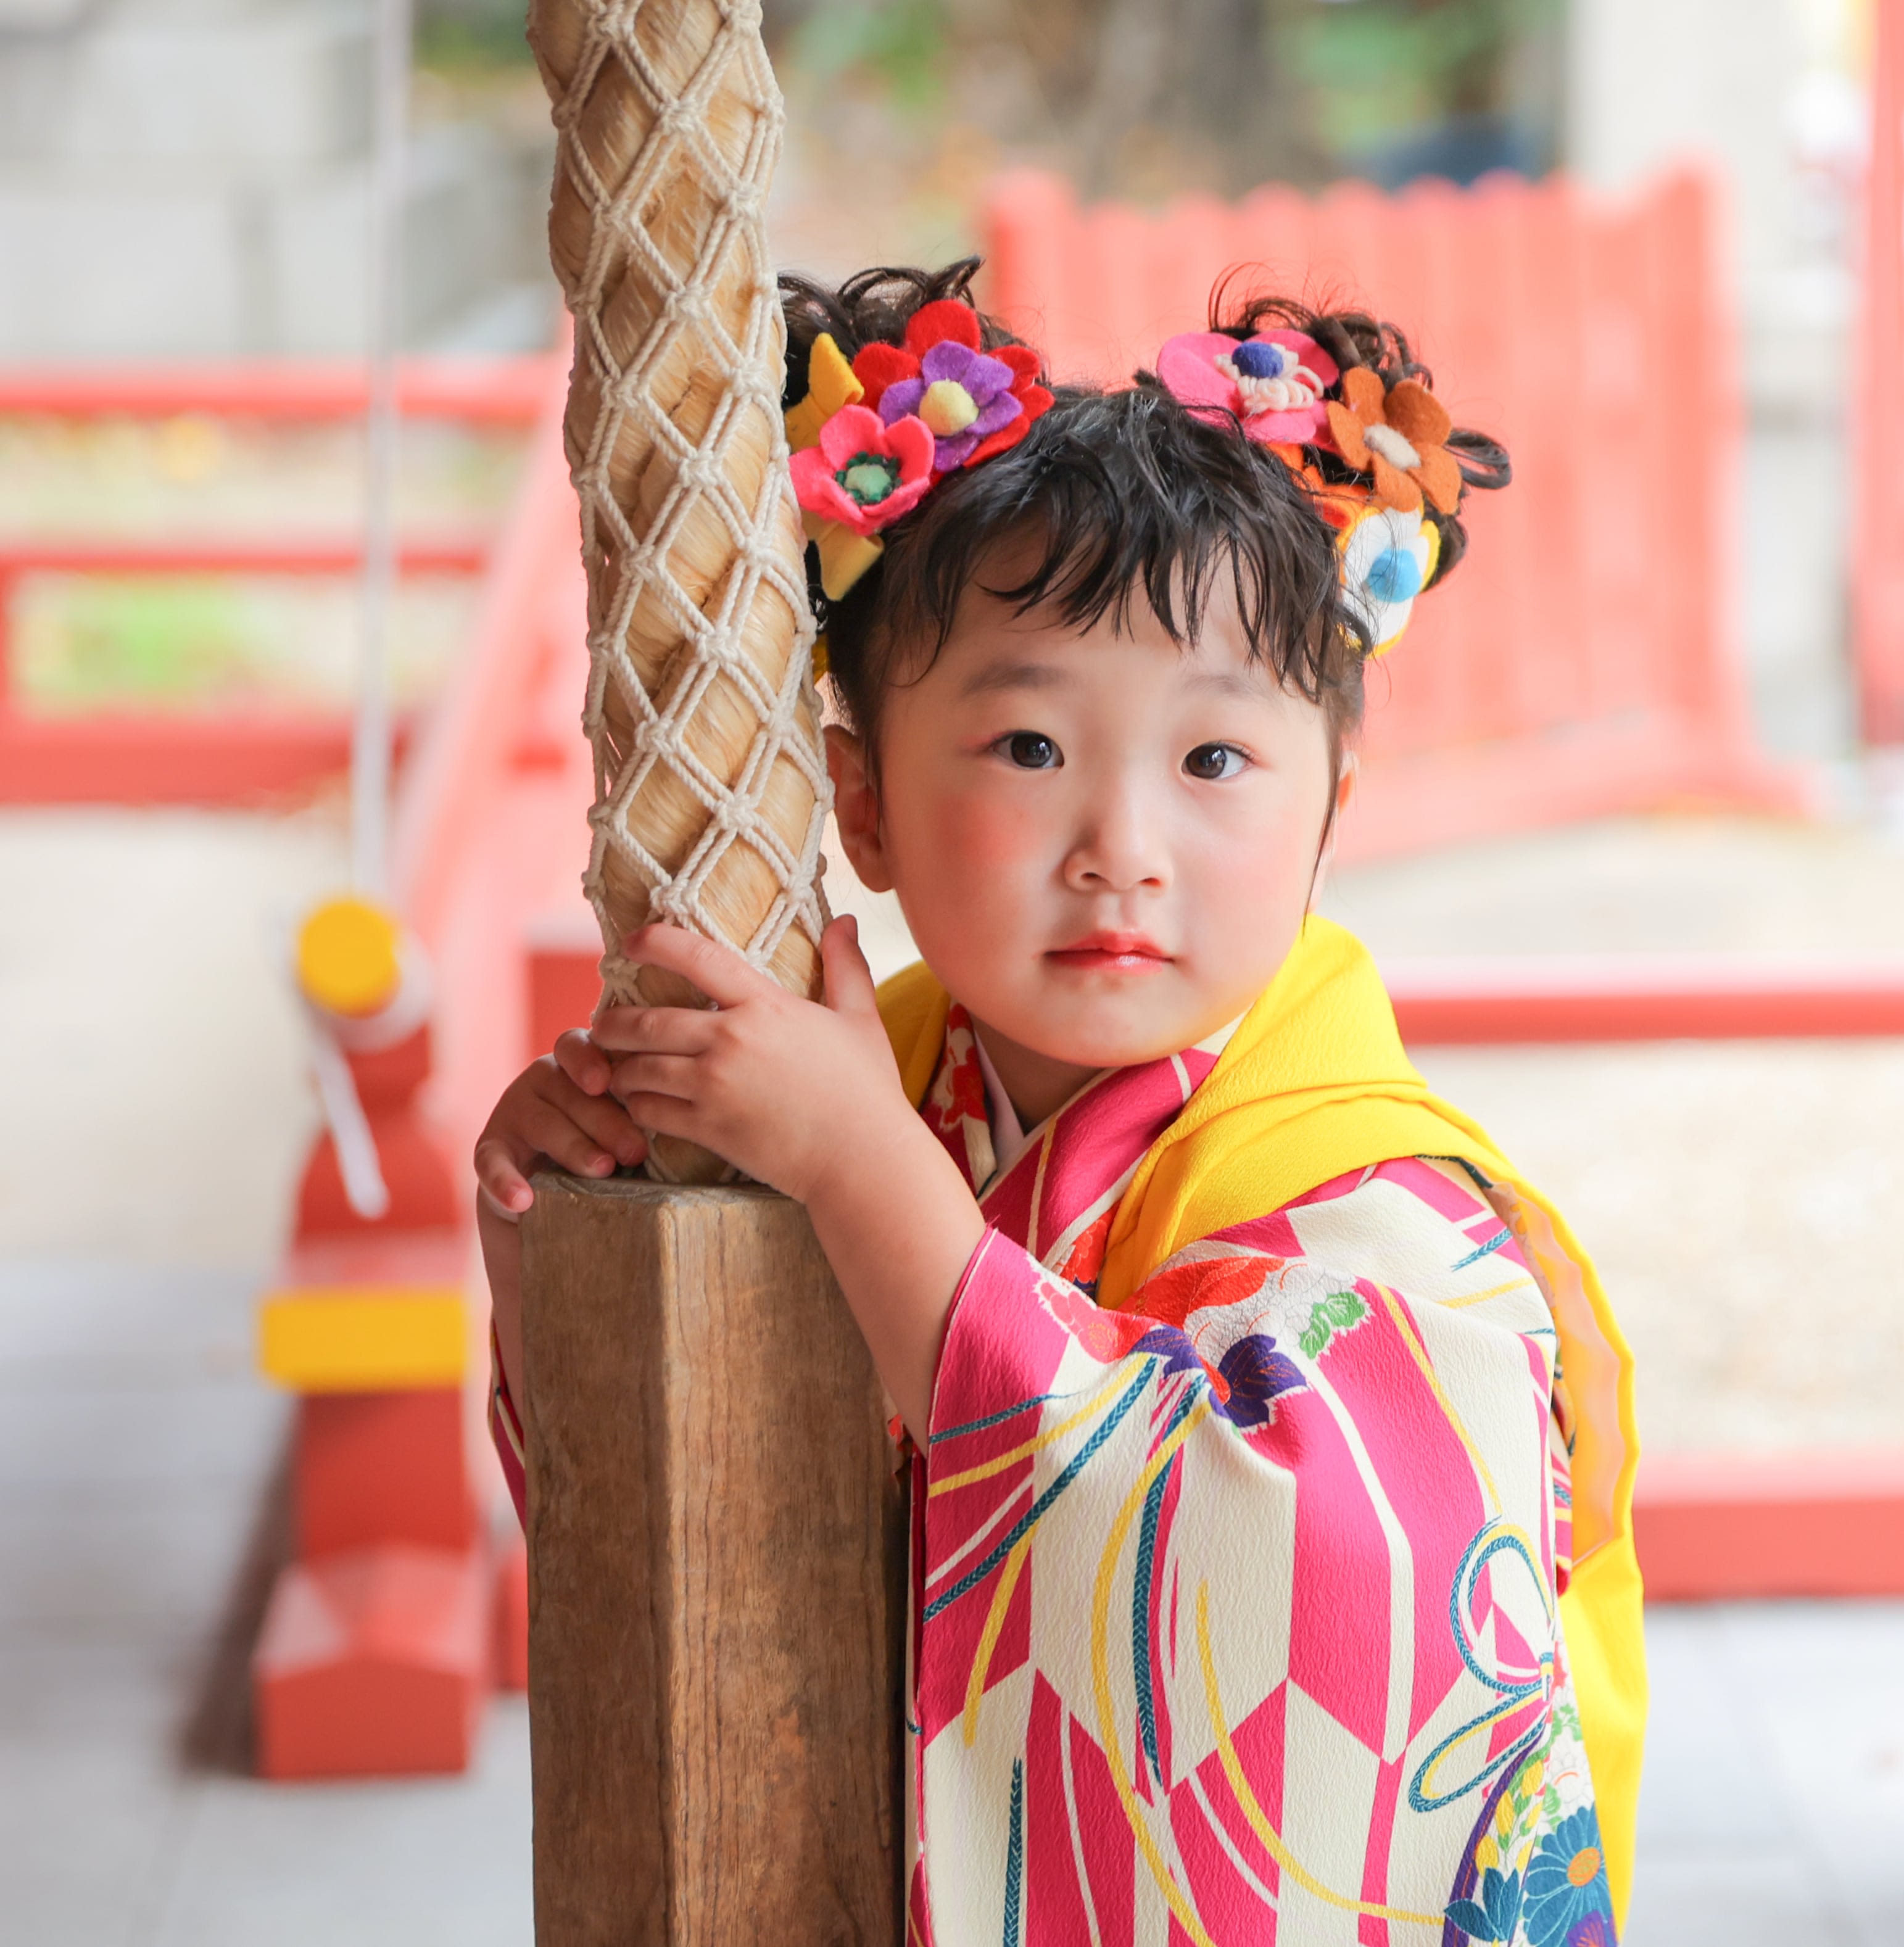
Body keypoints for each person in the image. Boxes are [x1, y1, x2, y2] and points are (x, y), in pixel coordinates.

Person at [474, 260, 1646, 1947]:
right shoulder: (845, 1088)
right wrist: (566, 1221)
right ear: (861, 803)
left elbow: (1319, 1594)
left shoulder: (1392, 1217)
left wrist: (867, 1173)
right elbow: (682, 1502)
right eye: (1028, 747)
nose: (1123, 844)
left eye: (1214, 760)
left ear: (1333, 800)